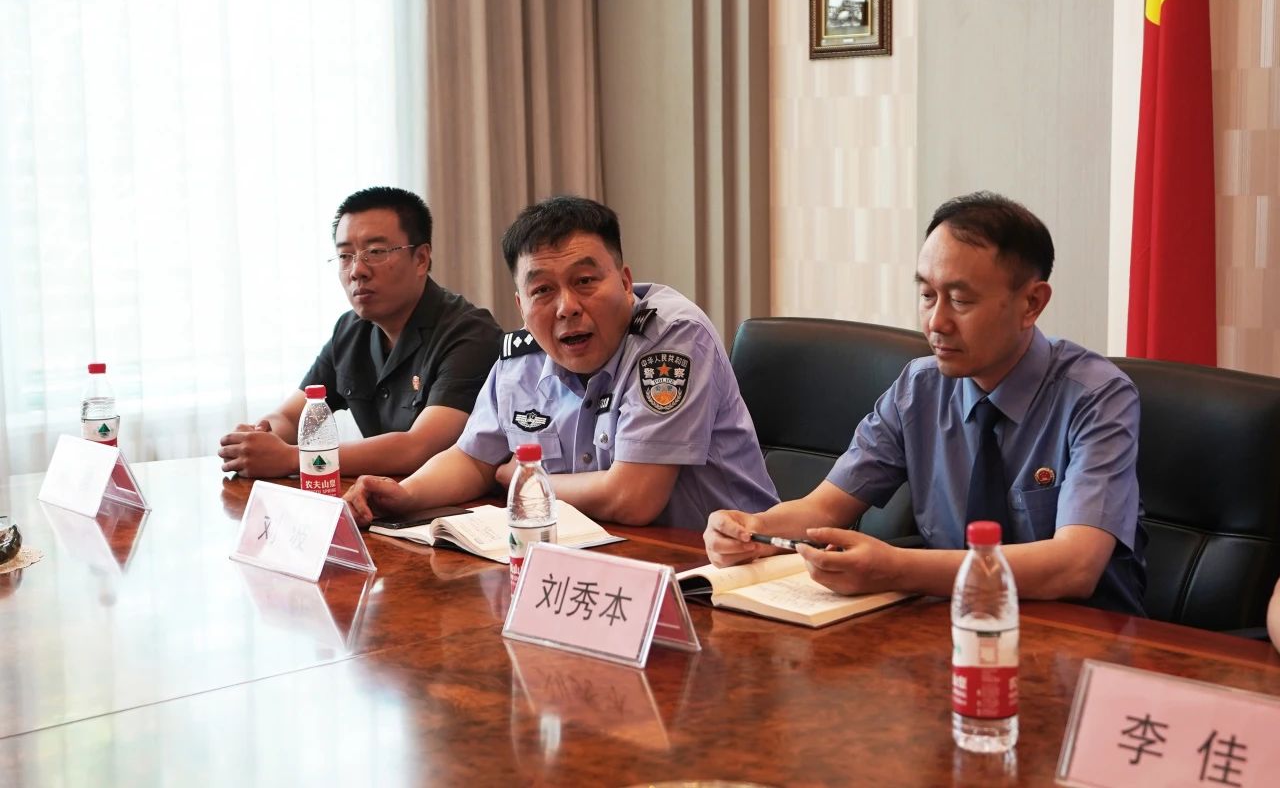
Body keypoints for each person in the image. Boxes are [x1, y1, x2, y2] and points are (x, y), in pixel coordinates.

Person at [705, 191, 1147, 615]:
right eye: (927, 296)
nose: (937, 322)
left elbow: (1075, 566)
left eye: (960, 300)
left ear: (1031, 303)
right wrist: (752, 528)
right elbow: (823, 508)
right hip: (949, 628)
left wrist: (897, 568)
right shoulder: (918, 389)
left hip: (1080, 637)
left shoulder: (1097, 398)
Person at [343, 194, 778, 529]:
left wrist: (521, 480)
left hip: (720, 567)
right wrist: (406, 494)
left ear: (625, 282)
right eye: (543, 291)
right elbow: (472, 460)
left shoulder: (671, 339)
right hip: (595, 559)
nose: (567, 307)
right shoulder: (521, 358)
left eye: (585, 281)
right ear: (521, 305)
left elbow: (632, 498)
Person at [218, 186, 501, 478]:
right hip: (378, 496)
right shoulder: (350, 331)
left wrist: (295, 458)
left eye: (375, 252)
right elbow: (290, 417)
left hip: (457, 501)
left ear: (421, 259)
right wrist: (261, 435)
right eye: (345, 256)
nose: (357, 271)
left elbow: (419, 448)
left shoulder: (471, 334)